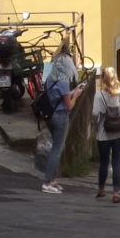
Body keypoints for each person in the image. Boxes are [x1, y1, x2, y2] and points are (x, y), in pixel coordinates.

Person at [41, 44, 84, 194]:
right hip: (60, 116)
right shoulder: (64, 81)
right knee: (57, 150)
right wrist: (77, 95)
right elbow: (69, 105)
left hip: (50, 115)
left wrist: (73, 92)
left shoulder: (50, 78)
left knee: (55, 147)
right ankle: (47, 182)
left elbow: (60, 97)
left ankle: (52, 180)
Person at [92, 66, 120, 203]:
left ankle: (101, 189)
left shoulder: (99, 95)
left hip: (103, 134)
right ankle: (116, 193)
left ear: (103, 79)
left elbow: (94, 114)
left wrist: (96, 125)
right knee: (116, 163)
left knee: (104, 163)